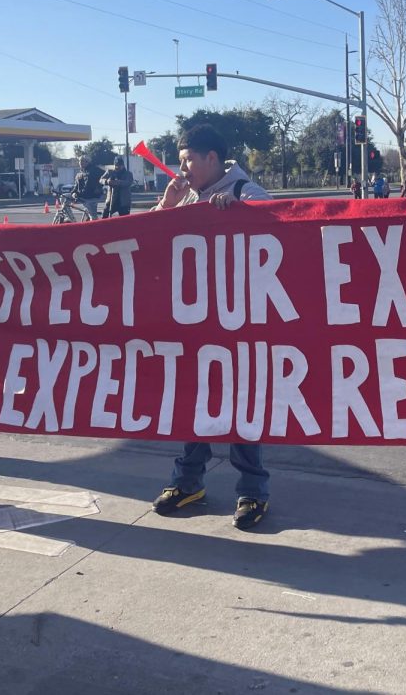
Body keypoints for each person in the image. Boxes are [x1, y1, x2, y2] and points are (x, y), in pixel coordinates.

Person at [150, 124, 272, 530]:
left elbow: (280, 228)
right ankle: (188, 481)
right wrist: (165, 209)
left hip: (239, 325)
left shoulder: (245, 193)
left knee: (241, 407)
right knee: (194, 403)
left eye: (187, 160)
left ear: (212, 159)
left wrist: (240, 215)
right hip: (195, 323)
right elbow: (143, 242)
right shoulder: (185, 196)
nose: (182, 169)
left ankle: (252, 492)